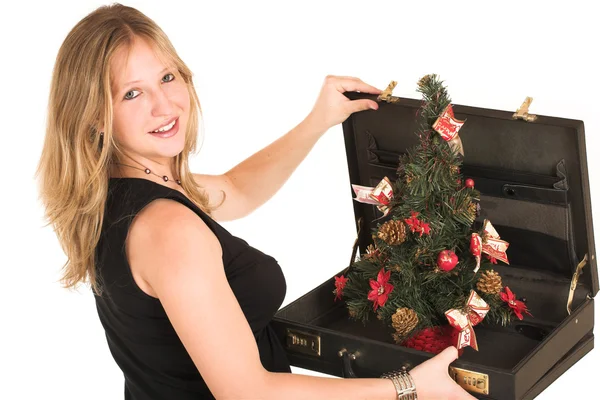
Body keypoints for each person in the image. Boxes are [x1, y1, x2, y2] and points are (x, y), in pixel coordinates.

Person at [36, 3, 477, 400]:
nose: (164, 104)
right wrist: (408, 388)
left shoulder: (122, 192)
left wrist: (317, 121)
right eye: (132, 93)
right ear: (95, 117)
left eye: (167, 77)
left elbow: (237, 188)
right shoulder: (168, 229)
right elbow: (248, 392)